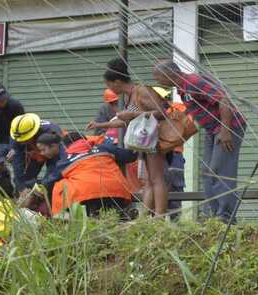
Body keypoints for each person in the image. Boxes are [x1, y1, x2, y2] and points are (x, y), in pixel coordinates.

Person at [153, 60, 246, 223]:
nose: (157, 81)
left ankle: (226, 218)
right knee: (207, 172)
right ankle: (214, 215)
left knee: (220, 171)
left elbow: (223, 100)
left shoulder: (193, 82)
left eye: (158, 76)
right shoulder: (182, 89)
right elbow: (197, 110)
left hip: (227, 128)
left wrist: (226, 131)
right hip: (212, 131)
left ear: (170, 74)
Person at [103, 57, 170, 217]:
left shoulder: (141, 91)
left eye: (109, 85)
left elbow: (162, 113)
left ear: (117, 81)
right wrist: (100, 125)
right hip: (144, 143)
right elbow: (129, 121)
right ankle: (145, 217)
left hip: (154, 139)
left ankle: (160, 215)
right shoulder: (130, 96)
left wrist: (132, 114)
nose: (110, 89)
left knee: (157, 179)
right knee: (148, 181)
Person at [36, 132, 138, 217]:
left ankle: (66, 218)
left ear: (67, 146)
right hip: (117, 192)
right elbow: (131, 156)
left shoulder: (65, 161)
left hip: (86, 197)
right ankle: (122, 213)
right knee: (113, 216)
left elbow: (48, 182)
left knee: (61, 184)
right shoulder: (104, 148)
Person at [9, 113, 64, 194]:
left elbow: (56, 162)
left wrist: (45, 186)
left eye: (25, 139)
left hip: (52, 155)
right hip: (32, 153)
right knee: (25, 181)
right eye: (21, 140)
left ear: (33, 132)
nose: (22, 141)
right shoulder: (17, 133)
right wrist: (21, 188)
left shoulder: (52, 132)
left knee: (50, 180)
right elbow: (17, 163)